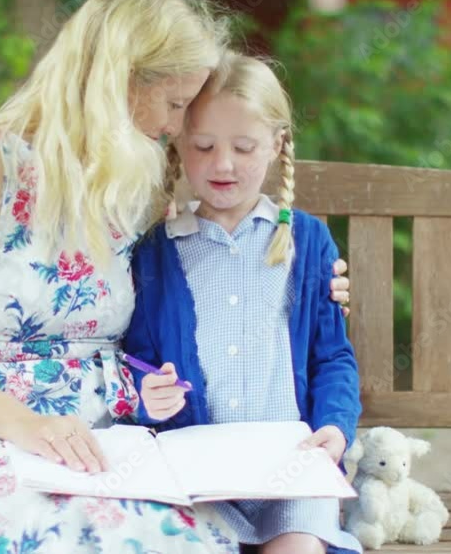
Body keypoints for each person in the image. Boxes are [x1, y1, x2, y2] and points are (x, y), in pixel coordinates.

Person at [0, 0, 353, 552]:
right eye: (174, 103)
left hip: (119, 441)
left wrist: (319, 285)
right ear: (120, 80)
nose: (176, 126)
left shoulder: (134, 182)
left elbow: (225, 258)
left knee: (183, 541)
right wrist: (27, 425)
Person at [124, 52, 363, 554]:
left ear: (277, 146)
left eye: (244, 146)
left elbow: (332, 358)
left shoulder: (308, 243)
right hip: (198, 482)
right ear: (180, 146)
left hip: (292, 474)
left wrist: (335, 430)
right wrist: (149, 393)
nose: (223, 164)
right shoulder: (156, 254)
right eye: (204, 146)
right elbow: (137, 358)